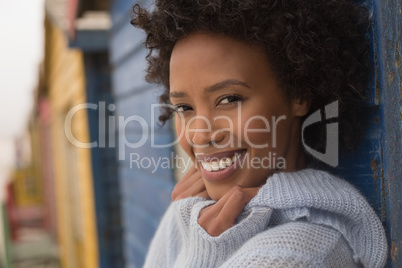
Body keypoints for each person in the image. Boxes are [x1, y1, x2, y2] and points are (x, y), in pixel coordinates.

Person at [131, 0, 388, 267]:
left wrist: (203, 253)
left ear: (298, 91)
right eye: (184, 107)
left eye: (229, 99)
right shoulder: (192, 213)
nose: (199, 135)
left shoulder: (297, 253)